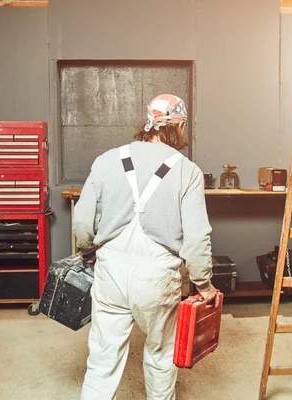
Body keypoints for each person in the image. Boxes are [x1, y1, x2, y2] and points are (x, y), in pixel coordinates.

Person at [73, 94, 216, 400]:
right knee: (161, 356)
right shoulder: (187, 170)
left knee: (102, 361)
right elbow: (196, 237)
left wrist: (87, 249)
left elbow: (82, 223)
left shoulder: (106, 160)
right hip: (158, 278)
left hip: (110, 272)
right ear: (177, 125)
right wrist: (203, 283)